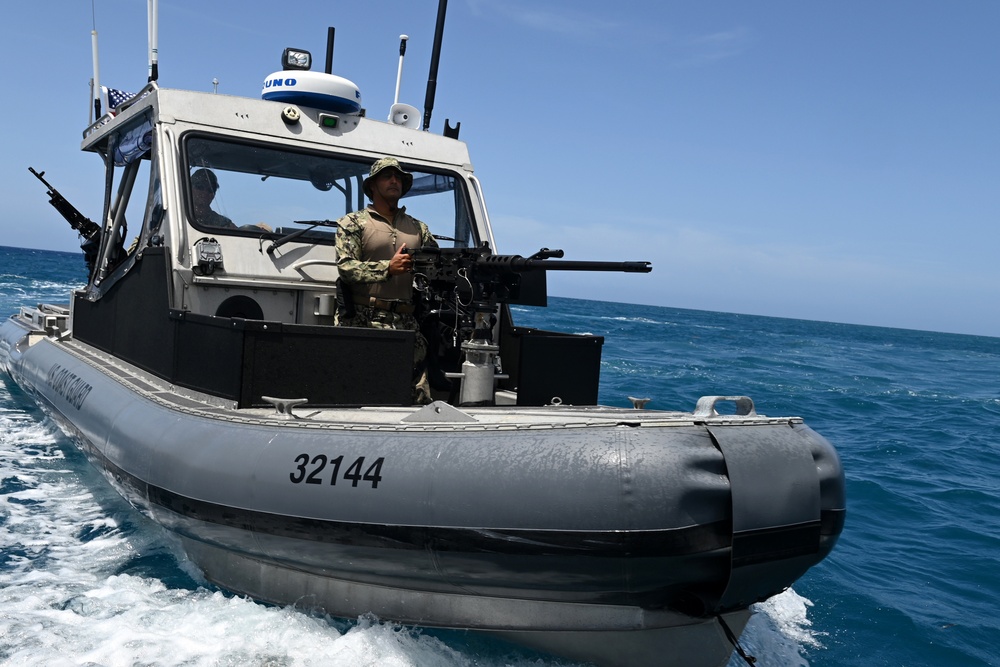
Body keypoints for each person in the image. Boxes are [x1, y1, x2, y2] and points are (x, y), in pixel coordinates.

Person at [335, 157, 437, 403]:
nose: (394, 181)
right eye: (387, 176)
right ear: (372, 186)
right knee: (358, 394)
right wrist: (388, 268)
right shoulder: (353, 223)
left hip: (406, 322)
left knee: (416, 400)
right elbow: (346, 267)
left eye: (398, 177)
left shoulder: (418, 228)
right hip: (363, 321)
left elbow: (436, 267)